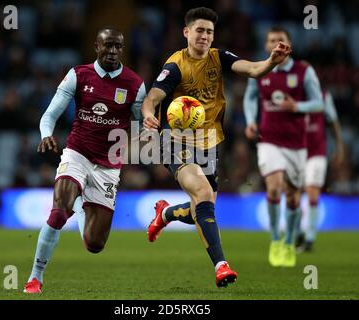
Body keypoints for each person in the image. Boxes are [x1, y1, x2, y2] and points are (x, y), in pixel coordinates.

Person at [142, 7, 291, 287]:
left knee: (203, 204)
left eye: (209, 31)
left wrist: (271, 61)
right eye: (200, 30)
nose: (205, 36)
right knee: (204, 193)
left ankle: (164, 213)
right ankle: (221, 265)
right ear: (187, 32)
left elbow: (252, 69)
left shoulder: (218, 58)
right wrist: (149, 113)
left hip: (209, 142)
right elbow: (154, 96)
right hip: (174, 141)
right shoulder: (175, 66)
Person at [23, 28, 146, 293]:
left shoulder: (135, 84)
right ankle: (36, 276)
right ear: (97, 47)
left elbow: (140, 125)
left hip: (109, 166)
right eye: (108, 45)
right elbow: (49, 115)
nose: (113, 51)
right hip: (76, 154)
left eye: (118, 46)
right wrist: (46, 134)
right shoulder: (78, 75)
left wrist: (148, 130)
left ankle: (80, 205)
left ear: (122, 49)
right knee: (57, 213)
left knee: (94, 245)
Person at [243, 27, 323, 267]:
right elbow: (250, 97)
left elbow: (319, 103)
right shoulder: (260, 70)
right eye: (271, 41)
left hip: (297, 144)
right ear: (267, 46)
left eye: (281, 40)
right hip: (269, 140)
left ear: (289, 45)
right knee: (274, 188)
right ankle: (276, 240)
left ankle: (289, 241)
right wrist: (250, 121)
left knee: (293, 197)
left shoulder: (303, 71)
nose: (275, 44)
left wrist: (297, 107)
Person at [296, 89, 344, 252]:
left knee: (312, 191)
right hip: (297, 152)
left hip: (317, 153)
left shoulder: (324, 96)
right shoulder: (294, 94)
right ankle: (298, 233)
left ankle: (309, 239)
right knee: (294, 193)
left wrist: (340, 147)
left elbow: (334, 122)